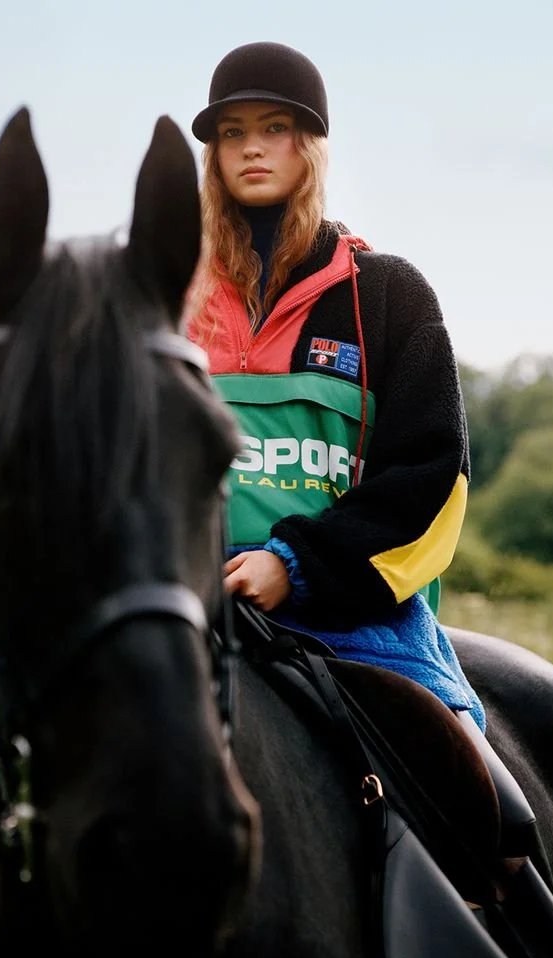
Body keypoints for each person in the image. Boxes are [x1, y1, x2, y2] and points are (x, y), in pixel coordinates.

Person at [186, 41, 485, 731]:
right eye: (232, 133)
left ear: (311, 145)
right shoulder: (167, 298)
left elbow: (434, 479)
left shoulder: (389, 296)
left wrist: (296, 564)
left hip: (356, 619)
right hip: (182, 604)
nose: (250, 149)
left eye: (273, 129)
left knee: (490, 810)